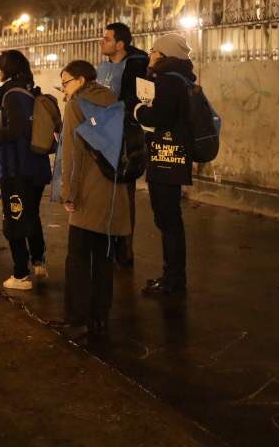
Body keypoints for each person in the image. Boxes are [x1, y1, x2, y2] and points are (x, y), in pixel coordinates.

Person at [57, 59, 131, 339]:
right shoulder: (111, 99)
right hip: (113, 191)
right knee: (103, 258)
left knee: (77, 259)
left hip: (87, 191)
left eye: (65, 83)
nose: (64, 89)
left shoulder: (76, 104)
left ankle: (76, 318)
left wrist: (69, 193)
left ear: (79, 80)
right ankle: (100, 316)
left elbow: (72, 155)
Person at [0, 49, 52, 291]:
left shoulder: (12, 95)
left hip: (17, 169)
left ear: (6, 69)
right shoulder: (29, 90)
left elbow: (15, 131)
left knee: (15, 220)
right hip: (36, 167)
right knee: (31, 215)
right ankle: (38, 261)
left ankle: (20, 275)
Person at [135, 33, 195, 296]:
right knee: (169, 219)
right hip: (173, 155)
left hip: (166, 157)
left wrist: (139, 110)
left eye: (153, 50)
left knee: (168, 219)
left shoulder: (169, 81)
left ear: (163, 54)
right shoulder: (180, 79)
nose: (150, 54)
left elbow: (159, 115)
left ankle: (173, 279)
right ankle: (172, 276)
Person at [97, 22, 149, 266]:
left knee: (125, 195)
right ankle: (108, 245)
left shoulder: (136, 68)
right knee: (105, 194)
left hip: (126, 139)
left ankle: (125, 250)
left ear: (120, 44)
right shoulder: (103, 67)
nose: (102, 42)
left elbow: (137, 102)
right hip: (103, 136)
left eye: (107, 39)